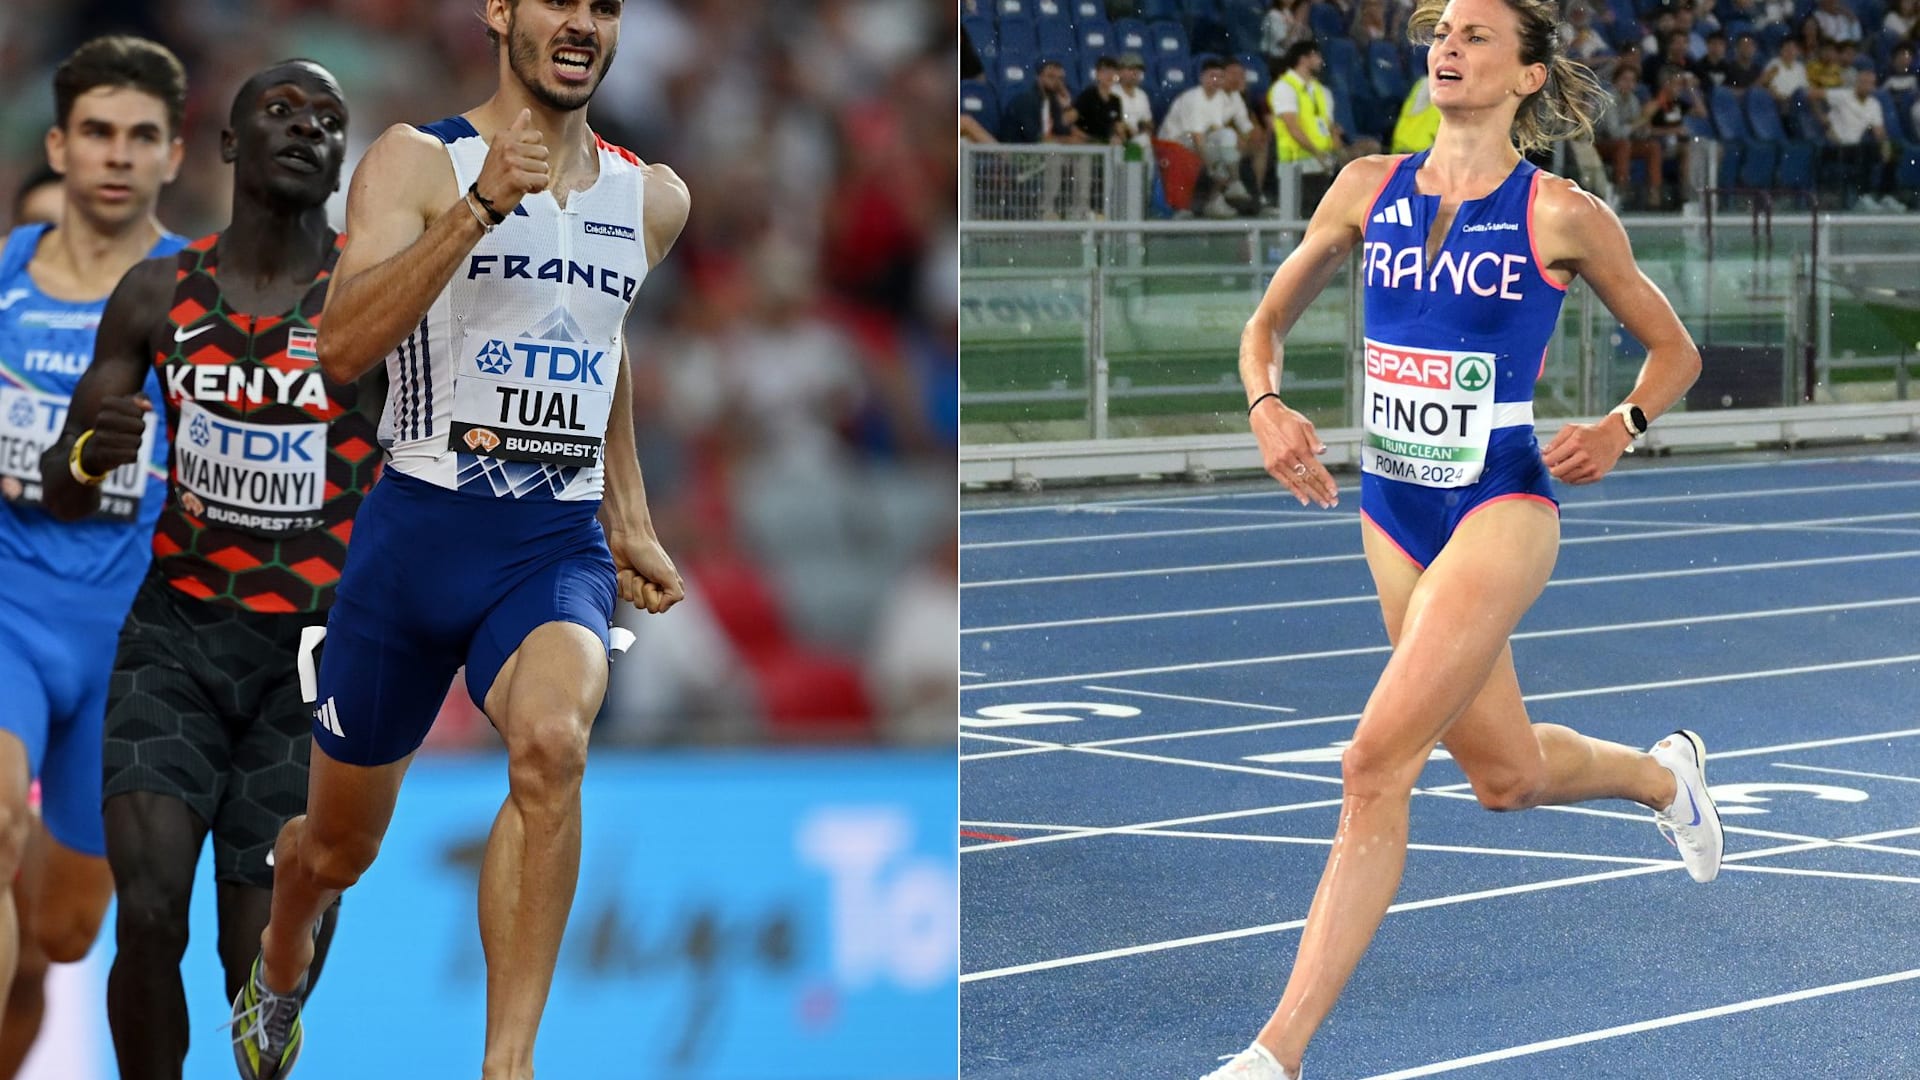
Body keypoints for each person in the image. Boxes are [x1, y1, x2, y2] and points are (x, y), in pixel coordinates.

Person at [1206, 0, 1715, 1073]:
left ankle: (1273, 1055)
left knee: (1372, 763)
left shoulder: (1566, 215)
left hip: (1502, 503)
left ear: (1529, 76)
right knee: (1504, 777)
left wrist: (1622, 426)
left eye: (1477, 34)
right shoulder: (1362, 188)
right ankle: (1663, 779)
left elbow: (1674, 352)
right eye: (1440, 30)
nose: (1448, 44)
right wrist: (1266, 404)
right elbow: (1263, 328)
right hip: (1393, 508)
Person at [230, 2, 688, 1078]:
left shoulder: (652, 196)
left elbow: (600, 338)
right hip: (416, 537)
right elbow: (340, 344)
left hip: (551, 545)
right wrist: (481, 206)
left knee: (554, 743)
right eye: (558, 2)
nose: (582, 22)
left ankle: (508, 1063)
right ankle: (283, 952)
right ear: (501, 13)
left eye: (604, 6)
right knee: (338, 847)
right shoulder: (418, 161)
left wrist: (629, 513)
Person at [38, 60, 371, 1080]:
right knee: (144, 914)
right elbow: (65, 489)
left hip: (311, 668)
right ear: (226, 146)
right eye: (280, 111)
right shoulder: (156, 293)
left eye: (330, 120)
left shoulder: (371, 298)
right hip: (174, 643)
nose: (308, 128)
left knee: (258, 965)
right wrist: (93, 446)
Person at [0, 32, 187, 1072]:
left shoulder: (208, 306)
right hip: (9, 608)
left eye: (142, 136)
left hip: (130, 646)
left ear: (174, 153)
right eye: (99, 133)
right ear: (61, 147)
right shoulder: (0, 289)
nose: (118, 154)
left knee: (61, 936)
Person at [1822, 66, 1897, 209]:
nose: (1867, 86)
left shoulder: (1874, 104)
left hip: (1855, 148)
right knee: (1865, 150)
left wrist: (1886, 146)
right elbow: (1811, 95)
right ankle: (1863, 197)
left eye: (1870, 83)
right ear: (1857, 83)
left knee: (1892, 150)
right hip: (1836, 147)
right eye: (1864, 82)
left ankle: (1887, 196)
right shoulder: (1842, 95)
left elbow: (1879, 131)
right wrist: (1824, 121)